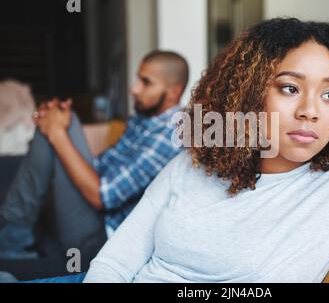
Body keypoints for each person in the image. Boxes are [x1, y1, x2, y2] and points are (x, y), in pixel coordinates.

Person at [30, 18, 329, 283]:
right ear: (250, 94)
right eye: (290, 88)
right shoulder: (193, 164)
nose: (309, 111)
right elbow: (115, 263)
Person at [0, 51, 189, 275]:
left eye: (146, 82)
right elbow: (102, 165)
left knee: (58, 128)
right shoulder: (145, 119)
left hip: (102, 237)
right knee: (61, 117)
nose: (134, 88)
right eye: (138, 79)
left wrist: (58, 134)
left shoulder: (169, 135)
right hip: (96, 211)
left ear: (173, 91)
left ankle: (12, 240)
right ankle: (13, 236)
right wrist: (57, 127)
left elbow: (102, 197)